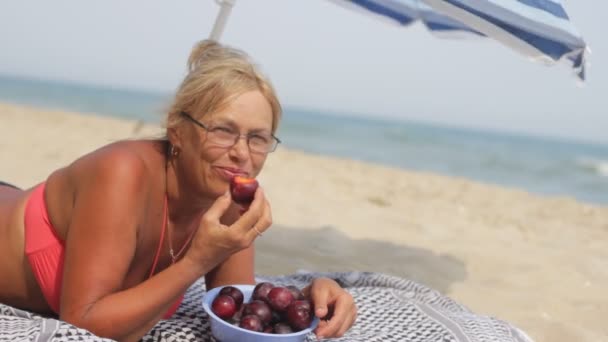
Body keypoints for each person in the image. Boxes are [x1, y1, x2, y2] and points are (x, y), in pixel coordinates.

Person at [0, 40, 357, 341]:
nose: (242, 153)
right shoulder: (122, 173)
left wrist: (306, 302)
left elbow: (238, 310)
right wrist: (198, 260)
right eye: (222, 130)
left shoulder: (231, 202)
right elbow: (84, 323)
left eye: (258, 138)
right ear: (177, 130)